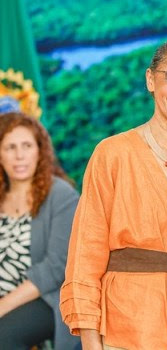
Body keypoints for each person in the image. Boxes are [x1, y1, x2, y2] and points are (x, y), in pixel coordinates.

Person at [60, 39, 167, 349]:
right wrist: (89, 337)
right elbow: (86, 254)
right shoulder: (113, 154)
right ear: (151, 79)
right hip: (132, 332)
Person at [0, 112, 79, 350]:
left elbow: (56, 268)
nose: (19, 155)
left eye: (26, 145)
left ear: (40, 151)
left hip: (46, 297)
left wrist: (2, 306)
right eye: (10, 147)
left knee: (3, 336)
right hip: (5, 293)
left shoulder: (61, 196)